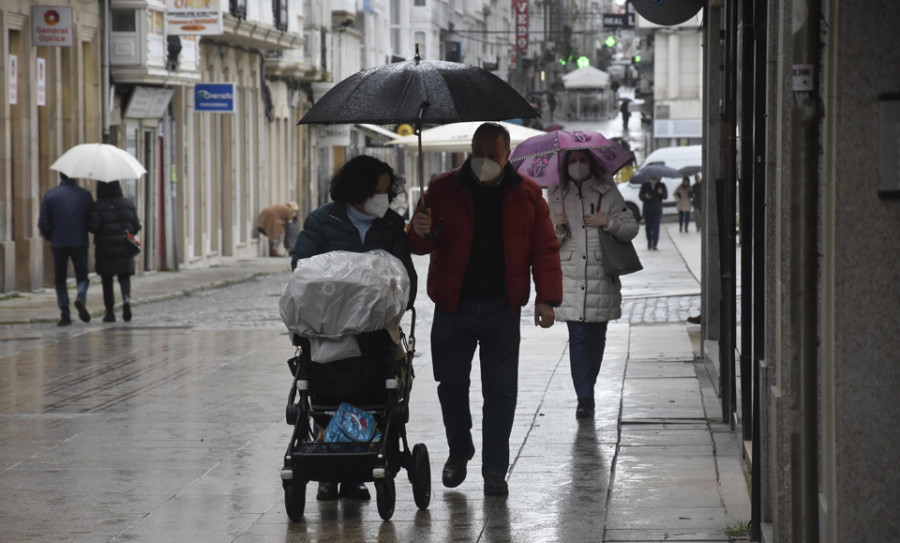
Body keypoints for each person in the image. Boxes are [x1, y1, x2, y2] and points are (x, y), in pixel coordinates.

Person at [408, 122, 562, 497]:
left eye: (491, 155)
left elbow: (544, 248)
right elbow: (417, 243)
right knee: (451, 385)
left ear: (507, 154)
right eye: (477, 154)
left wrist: (547, 298)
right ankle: (459, 451)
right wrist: (421, 229)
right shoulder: (443, 189)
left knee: (501, 391)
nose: (483, 162)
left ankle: (494, 468)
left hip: (501, 308)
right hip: (452, 306)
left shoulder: (527, 194)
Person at [291, 155, 417, 502]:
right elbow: (302, 269)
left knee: (370, 392)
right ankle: (330, 468)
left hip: (375, 333)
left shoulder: (391, 224)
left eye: (386, 190)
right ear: (357, 190)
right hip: (329, 331)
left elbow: (406, 278)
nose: (383, 197)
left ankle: (357, 466)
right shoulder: (323, 220)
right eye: (377, 190)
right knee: (330, 391)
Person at [549, 150, 639, 419]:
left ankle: (588, 388)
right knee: (577, 337)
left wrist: (607, 222)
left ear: (591, 163)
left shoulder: (607, 193)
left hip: (601, 276)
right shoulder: (556, 196)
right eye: (573, 160)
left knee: (596, 339)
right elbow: (546, 244)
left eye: (583, 160)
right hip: (570, 277)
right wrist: (559, 228)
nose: (578, 165)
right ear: (565, 165)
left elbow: (631, 228)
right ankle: (584, 398)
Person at [37, 173, 94, 326]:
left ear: (60, 176)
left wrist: (52, 237)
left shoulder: (51, 196)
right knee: (82, 276)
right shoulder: (85, 195)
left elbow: (43, 223)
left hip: (59, 242)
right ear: (75, 177)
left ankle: (65, 313)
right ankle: (81, 297)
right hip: (80, 242)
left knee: (60, 279)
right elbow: (92, 221)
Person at [87, 181, 142, 323]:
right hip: (124, 247)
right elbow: (136, 226)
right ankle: (126, 299)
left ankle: (110, 312)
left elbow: (94, 227)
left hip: (105, 250)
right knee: (124, 277)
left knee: (107, 280)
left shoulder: (98, 205)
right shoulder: (128, 204)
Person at [639, 175, 667, 250]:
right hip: (647, 210)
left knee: (656, 227)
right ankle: (649, 241)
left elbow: (665, 196)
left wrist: (661, 193)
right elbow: (640, 196)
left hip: (657, 209)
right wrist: (645, 196)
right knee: (648, 227)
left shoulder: (661, 185)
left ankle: (654, 244)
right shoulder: (645, 185)